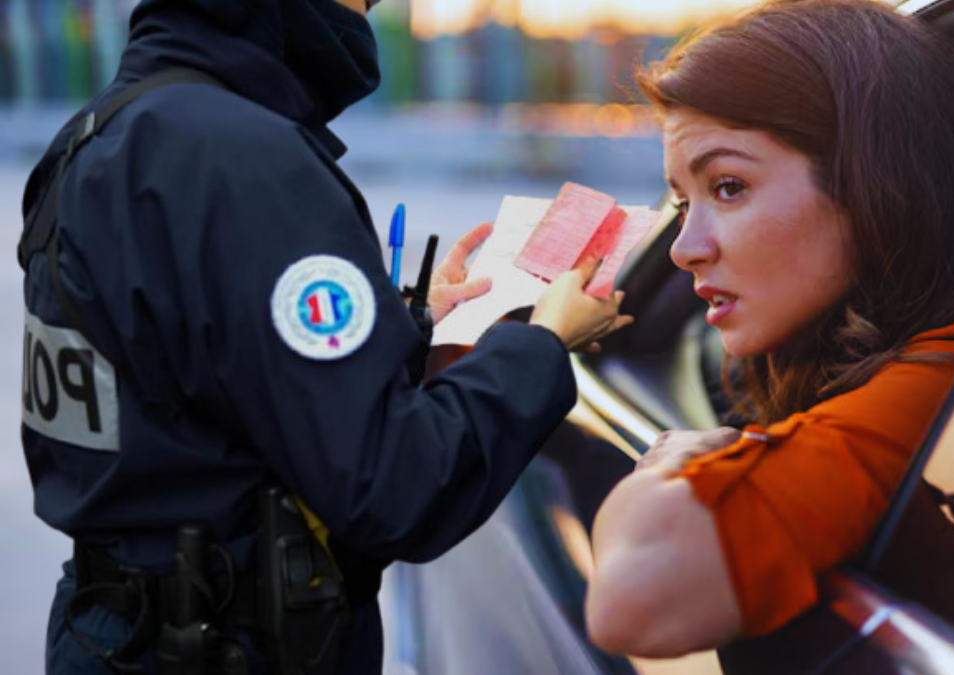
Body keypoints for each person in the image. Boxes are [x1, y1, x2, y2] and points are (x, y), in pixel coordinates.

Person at [18, 0, 629, 672]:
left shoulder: (99, 132)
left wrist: (399, 322)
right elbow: (395, 485)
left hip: (107, 630)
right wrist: (541, 345)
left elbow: (180, 363)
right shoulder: (248, 160)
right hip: (229, 645)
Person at [584, 0, 954, 668]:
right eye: (680, 202)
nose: (683, 248)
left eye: (727, 186)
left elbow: (635, 596)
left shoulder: (949, 377)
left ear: (877, 185)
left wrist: (669, 459)